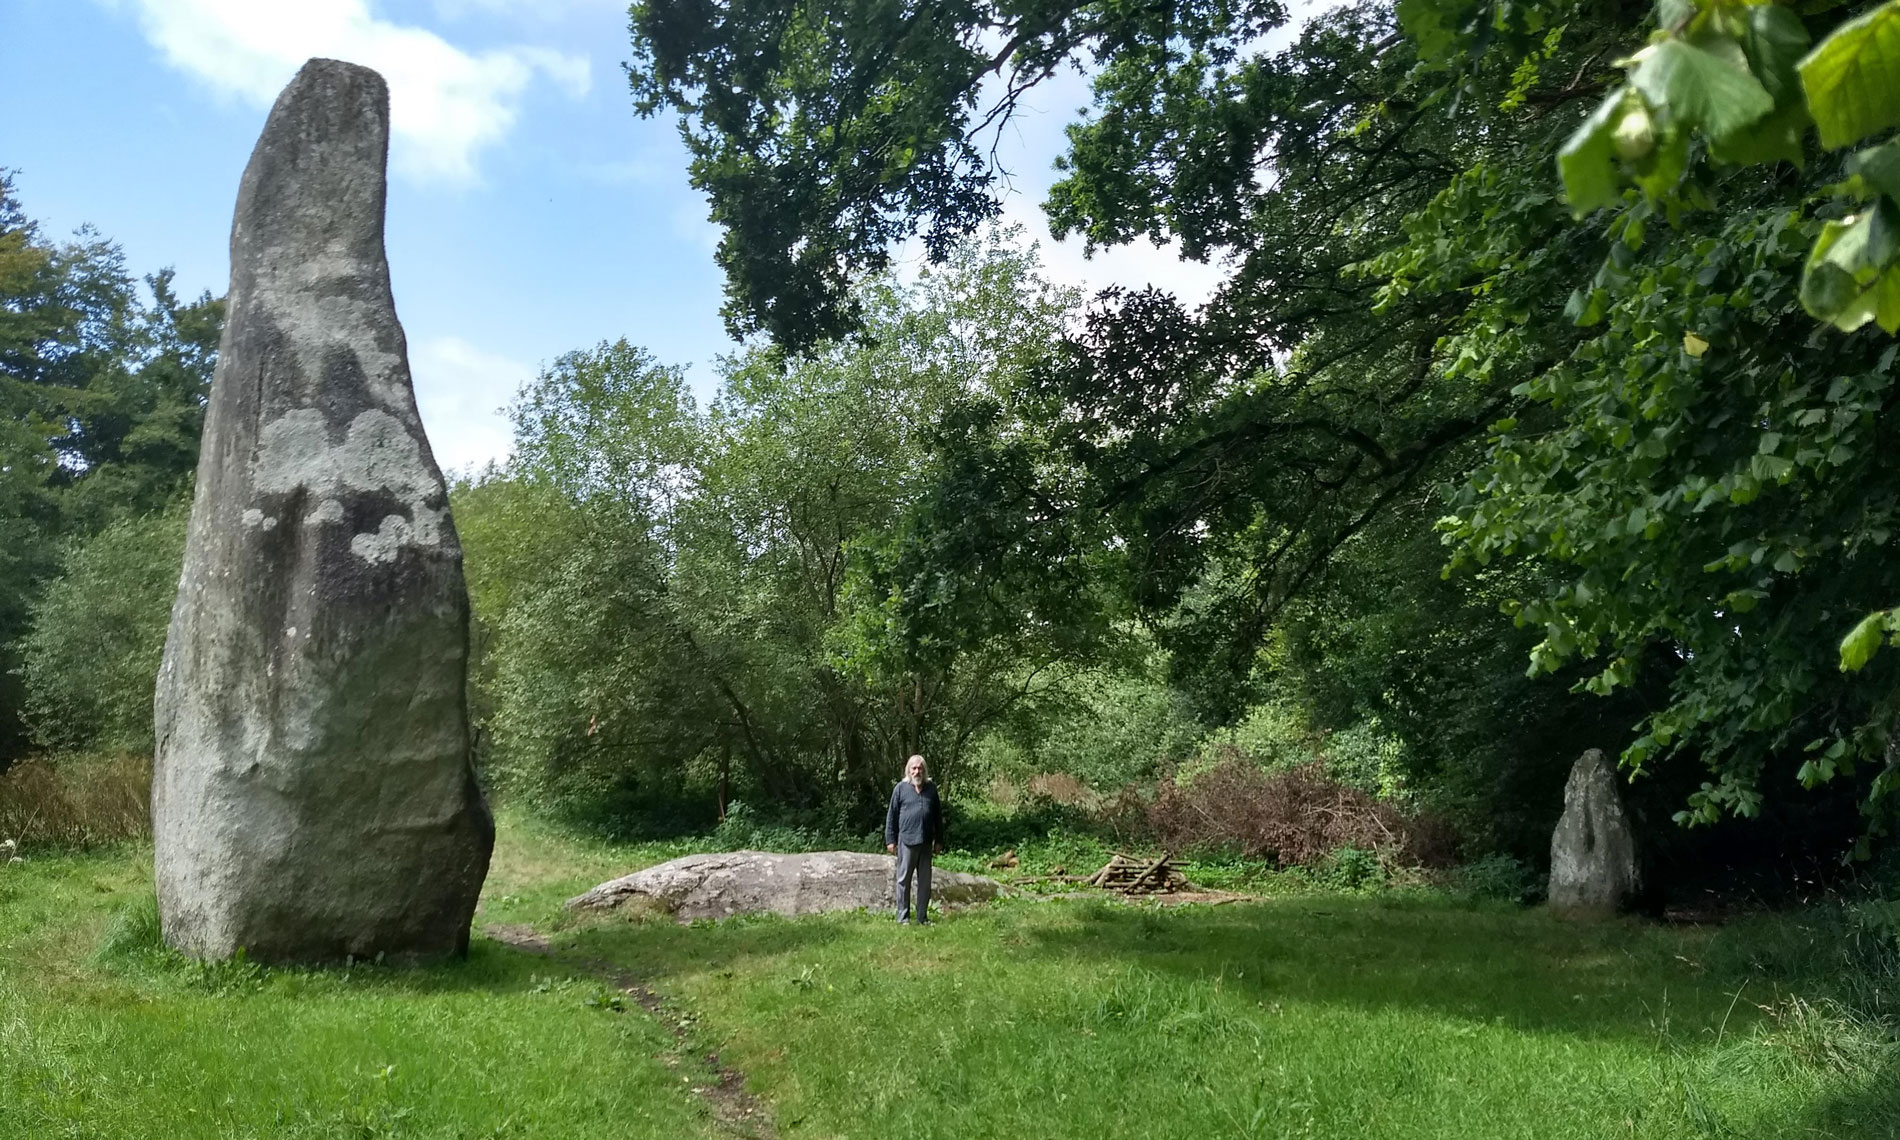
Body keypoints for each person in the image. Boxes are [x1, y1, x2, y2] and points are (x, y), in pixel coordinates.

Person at [884, 753, 944, 925]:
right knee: (903, 881)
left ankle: (922, 917)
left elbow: (938, 817)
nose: (917, 771)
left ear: (924, 770)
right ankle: (903, 918)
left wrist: (939, 840)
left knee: (924, 883)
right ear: (908, 771)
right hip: (906, 842)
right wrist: (890, 840)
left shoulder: (931, 789)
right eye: (914, 768)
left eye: (920, 768)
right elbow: (891, 816)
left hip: (926, 842)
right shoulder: (900, 789)